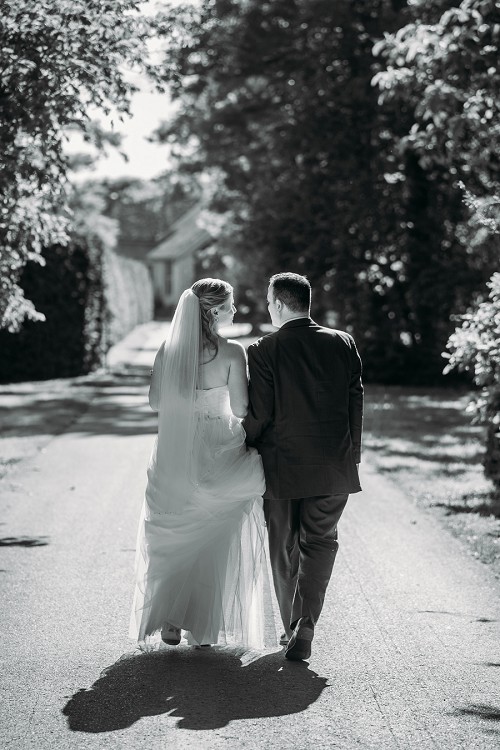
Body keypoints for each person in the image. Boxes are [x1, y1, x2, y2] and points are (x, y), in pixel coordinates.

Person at [130, 278, 266, 649]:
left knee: (172, 531)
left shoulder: (167, 350)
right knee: (213, 535)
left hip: (176, 451)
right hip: (218, 446)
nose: (235, 310)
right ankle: (201, 626)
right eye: (230, 305)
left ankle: (170, 621)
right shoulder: (233, 353)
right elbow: (240, 409)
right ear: (214, 311)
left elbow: (157, 404)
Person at [243, 272, 363, 661]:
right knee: (321, 542)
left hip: (282, 467)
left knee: (284, 545)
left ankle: (294, 625)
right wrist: (352, 455)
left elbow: (260, 414)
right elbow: (354, 402)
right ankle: (305, 623)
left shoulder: (262, 350)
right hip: (334, 466)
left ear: (278, 304)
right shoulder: (343, 342)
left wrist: (242, 445)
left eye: (268, 301)